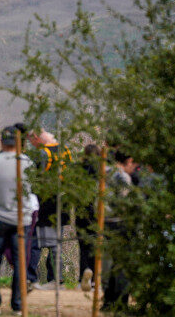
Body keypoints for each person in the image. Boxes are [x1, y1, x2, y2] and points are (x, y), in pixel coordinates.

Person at [0, 126, 36, 315]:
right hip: (23, 218)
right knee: (21, 261)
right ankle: (18, 304)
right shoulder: (28, 162)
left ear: (1, 142)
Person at [27, 130, 72, 290]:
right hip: (63, 202)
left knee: (36, 242)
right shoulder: (65, 150)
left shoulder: (43, 154)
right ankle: (56, 279)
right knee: (56, 242)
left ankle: (32, 278)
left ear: (37, 138)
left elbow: (34, 178)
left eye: (31, 141)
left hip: (46, 203)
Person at [101, 150, 136, 311]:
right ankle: (121, 304)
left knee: (110, 264)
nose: (134, 168)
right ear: (128, 161)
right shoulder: (122, 177)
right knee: (123, 264)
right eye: (133, 164)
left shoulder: (104, 172)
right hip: (119, 221)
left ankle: (108, 301)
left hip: (103, 221)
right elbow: (124, 202)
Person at [77, 144, 101, 292]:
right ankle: (94, 280)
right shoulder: (101, 170)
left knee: (83, 245)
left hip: (81, 210)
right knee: (95, 245)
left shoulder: (79, 169)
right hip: (97, 212)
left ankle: (83, 276)